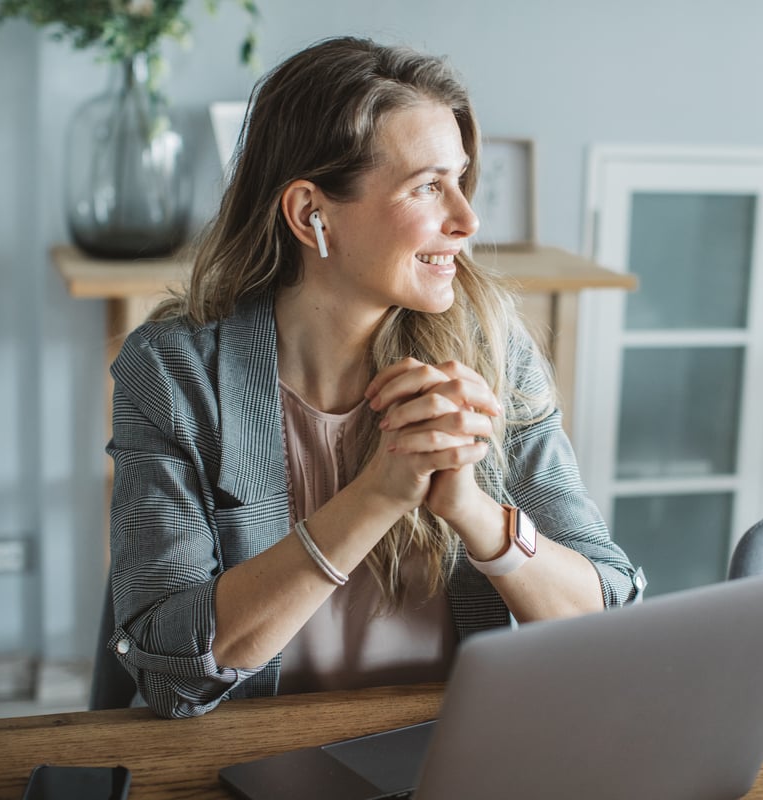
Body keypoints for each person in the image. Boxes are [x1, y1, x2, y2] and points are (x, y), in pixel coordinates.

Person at [105, 36, 642, 720]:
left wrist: (472, 510)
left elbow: (607, 616)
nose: (467, 219)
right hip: (248, 759)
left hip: (456, 751)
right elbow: (170, 677)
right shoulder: (176, 373)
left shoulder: (491, 351)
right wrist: (377, 496)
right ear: (310, 214)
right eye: (426, 186)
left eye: (461, 178)